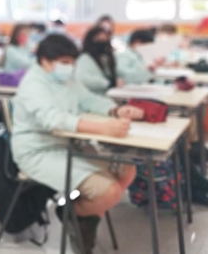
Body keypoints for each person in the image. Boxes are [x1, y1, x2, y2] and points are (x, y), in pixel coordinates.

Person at [12, 34, 144, 253]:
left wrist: (116, 110)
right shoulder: (33, 84)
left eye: (72, 62)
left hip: (69, 145)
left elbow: (88, 99)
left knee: (128, 170)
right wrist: (102, 128)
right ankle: (76, 213)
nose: (70, 67)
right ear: (45, 61)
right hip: (38, 152)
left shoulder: (66, 79)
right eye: (64, 62)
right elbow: (53, 119)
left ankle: (82, 217)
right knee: (109, 191)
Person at [75, 27, 122, 95]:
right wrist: (109, 83)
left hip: (109, 95)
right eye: (99, 39)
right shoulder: (84, 58)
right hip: (93, 95)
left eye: (104, 39)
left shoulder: (107, 58)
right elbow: (84, 79)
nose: (102, 43)